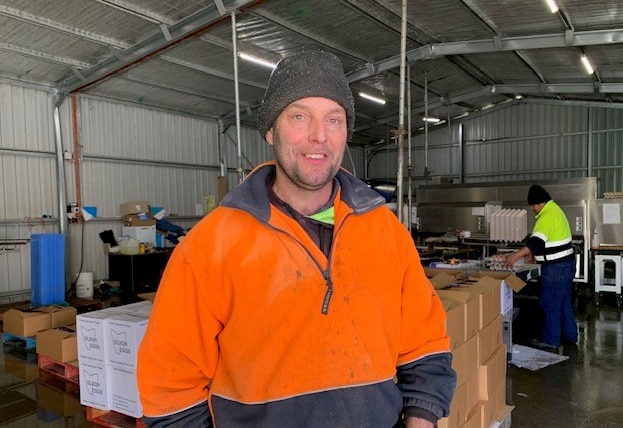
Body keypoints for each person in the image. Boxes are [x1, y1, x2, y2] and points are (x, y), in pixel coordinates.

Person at [136, 50, 456, 427]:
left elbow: (425, 345)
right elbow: (170, 389)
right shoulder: (211, 245)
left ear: (345, 134)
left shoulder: (386, 233)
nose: (319, 135)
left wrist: (421, 417)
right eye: (300, 116)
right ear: (271, 130)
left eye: (333, 119)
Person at [504, 184, 578, 351]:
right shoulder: (556, 211)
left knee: (550, 303)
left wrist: (515, 256)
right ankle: (570, 336)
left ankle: (550, 341)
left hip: (555, 268)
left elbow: (535, 242)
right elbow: (546, 241)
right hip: (566, 265)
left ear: (540, 203)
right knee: (564, 303)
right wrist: (534, 254)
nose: (532, 208)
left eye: (534, 205)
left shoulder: (546, 217)